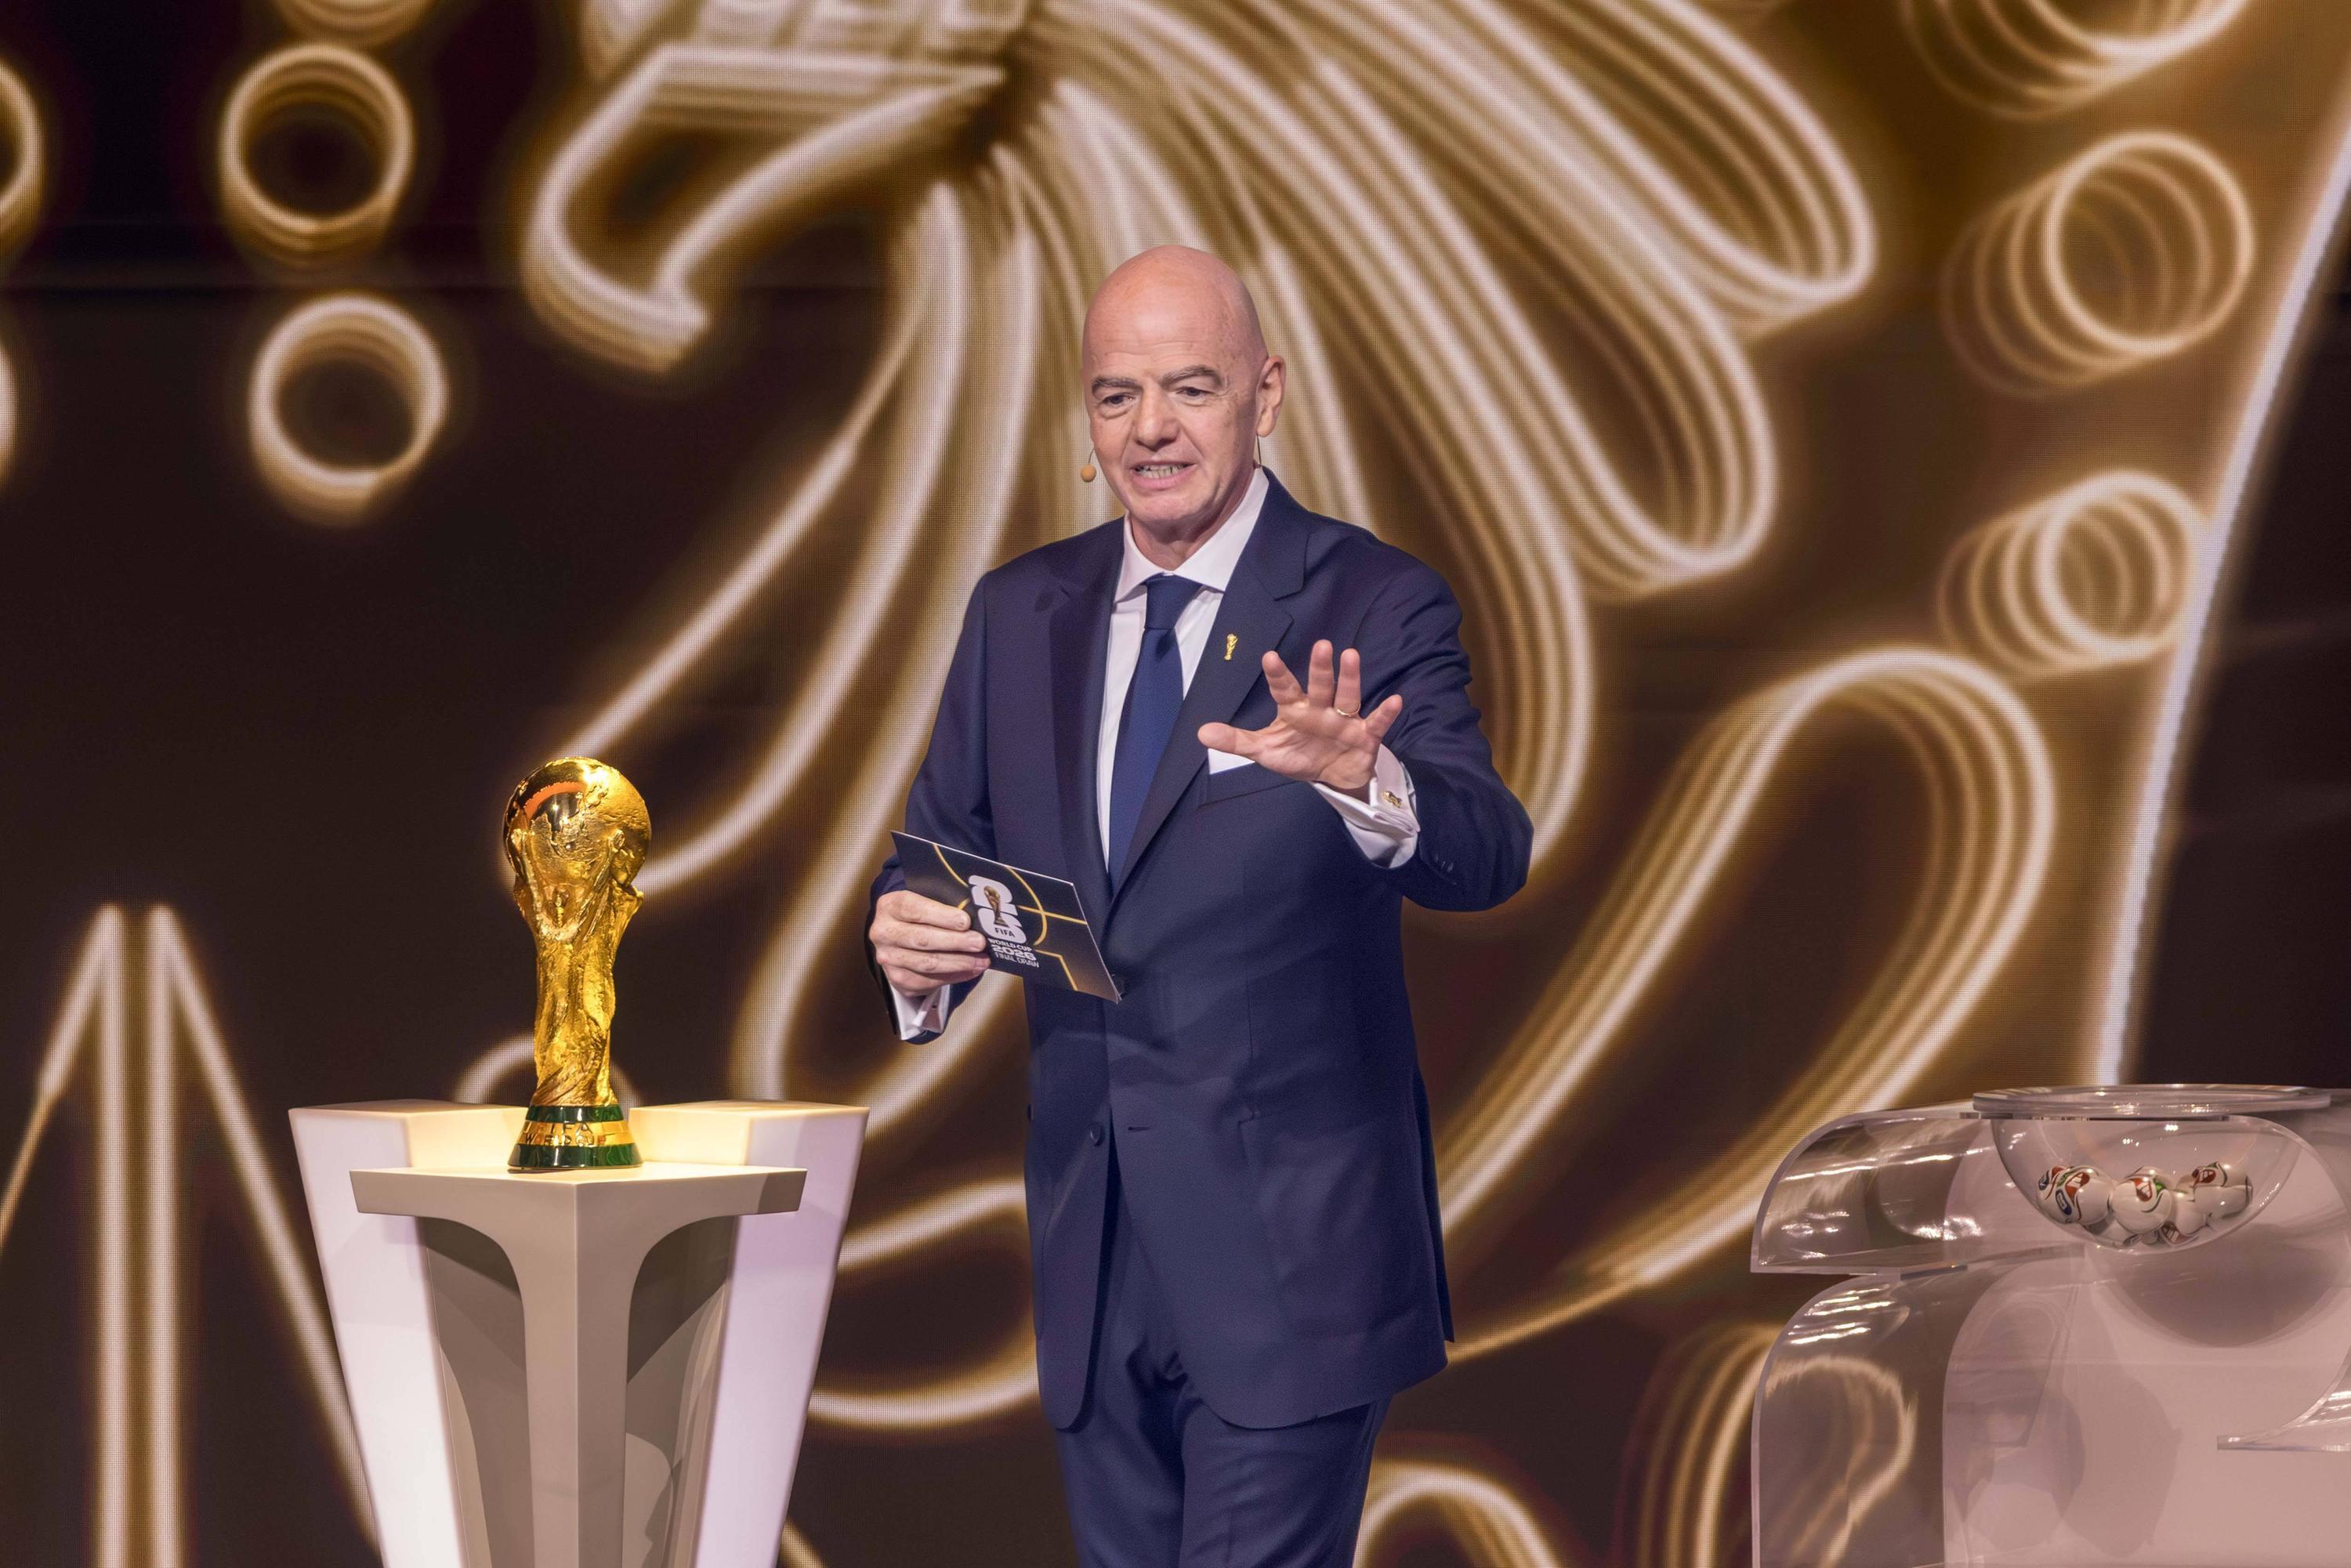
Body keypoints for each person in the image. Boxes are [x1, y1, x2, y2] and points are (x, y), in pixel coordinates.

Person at [866, 245, 1531, 1566]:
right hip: (1093, 1256)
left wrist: (1366, 778)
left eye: (1190, 388)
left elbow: (1486, 849)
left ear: (1265, 394)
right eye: (1117, 396)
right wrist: (912, 940)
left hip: (1295, 1264)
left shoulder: (1368, 599)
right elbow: (935, 855)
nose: (1151, 430)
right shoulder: (1020, 612)